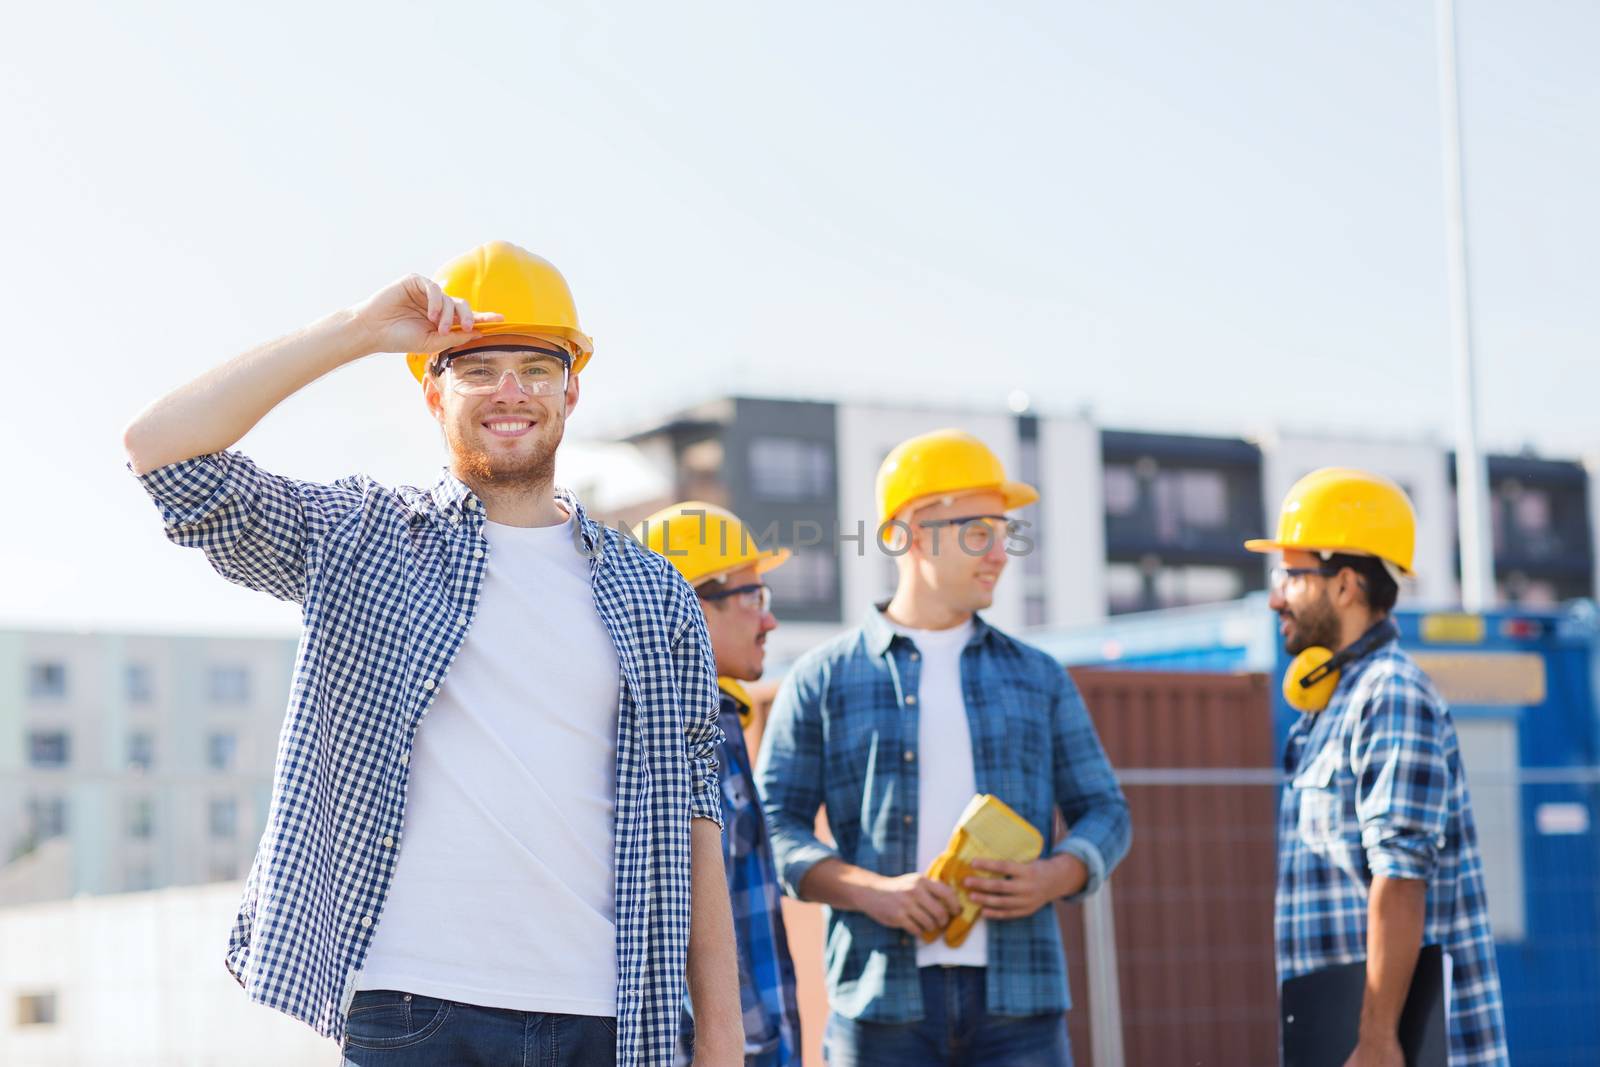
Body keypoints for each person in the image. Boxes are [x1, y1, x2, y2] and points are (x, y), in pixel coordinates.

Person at [122, 240, 741, 1067]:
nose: (511, 391)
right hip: (413, 1009)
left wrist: (723, 1041)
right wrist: (352, 330)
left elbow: (697, 812)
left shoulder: (657, 594)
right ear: (431, 391)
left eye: (537, 366)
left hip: (608, 1013)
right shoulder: (364, 537)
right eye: (478, 368)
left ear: (574, 387)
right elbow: (162, 452)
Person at [755, 428, 1130, 1067]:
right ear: (917, 532)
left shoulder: (1040, 677)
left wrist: (1052, 876)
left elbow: (1106, 812)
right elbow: (772, 829)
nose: (1001, 555)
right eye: (981, 533)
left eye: (1004, 535)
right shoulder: (824, 678)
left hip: (1023, 1004)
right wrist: (870, 890)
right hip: (879, 1007)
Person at [1246, 467, 1508, 1066]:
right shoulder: (1333, 703)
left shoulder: (1390, 695)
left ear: (1344, 585)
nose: (1274, 596)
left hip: (1393, 1048)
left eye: (1289, 574)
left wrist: (1378, 1037)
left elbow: (1401, 876)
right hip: (1341, 1034)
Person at [643, 502, 803, 1067]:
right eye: (752, 598)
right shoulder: (651, 741)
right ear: (687, 603)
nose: (769, 620)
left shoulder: (724, 722)